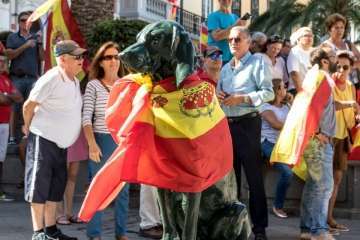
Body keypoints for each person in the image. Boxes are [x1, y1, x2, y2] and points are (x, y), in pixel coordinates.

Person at [23, 40, 85, 240]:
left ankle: (51, 230)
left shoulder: (74, 80)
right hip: (44, 138)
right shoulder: (51, 78)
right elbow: (28, 106)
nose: (81, 60)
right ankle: (38, 232)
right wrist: (28, 128)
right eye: (77, 57)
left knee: (55, 188)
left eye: (82, 56)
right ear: (63, 59)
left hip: (61, 145)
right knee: (39, 187)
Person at [217, 26, 274, 240]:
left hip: (249, 125)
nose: (233, 42)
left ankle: (259, 229)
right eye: (231, 39)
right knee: (230, 180)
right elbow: (220, 97)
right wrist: (221, 97)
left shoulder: (258, 62)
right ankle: (233, 227)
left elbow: (268, 93)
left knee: (254, 179)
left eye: (238, 39)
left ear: (248, 42)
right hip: (228, 126)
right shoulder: (225, 68)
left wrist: (242, 98)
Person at [82, 41, 129, 240]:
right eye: (108, 57)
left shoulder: (127, 84)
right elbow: (86, 119)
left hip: (123, 143)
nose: (113, 61)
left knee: (123, 192)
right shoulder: (93, 85)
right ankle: (94, 235)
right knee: (98, 189)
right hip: (101, 141)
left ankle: (121, 233)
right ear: (100, 62)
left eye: (116, 57)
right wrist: (92, 144)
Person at [299, 46, 337, 240]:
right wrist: (317, 132)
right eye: (332, 56)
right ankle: (318, 231)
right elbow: (312, 107)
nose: (336, 59)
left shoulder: (317, 78)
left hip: (317, 140)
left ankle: (307, 229)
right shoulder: (321, 78)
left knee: (314, 186)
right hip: (318, 141)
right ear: (324, 61)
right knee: (324, 186)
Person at [327, 50, 359, 233]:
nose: (340, 70)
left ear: (351, 68)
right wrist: (351, 105)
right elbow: (331, 106)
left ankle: (328, 218)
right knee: (322, 183)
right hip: (326, 137)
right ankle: (319, 222)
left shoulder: (350, 86)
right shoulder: (328, 83)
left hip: (342, 137)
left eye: (345, 67)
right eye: (337, 66)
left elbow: (352, 114)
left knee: (336, 180)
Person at [6, 11, 43, 144]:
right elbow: (9, 55)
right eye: (22, 20)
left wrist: (39, 44)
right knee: (14, 108)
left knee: (31, 107)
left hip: (32, 78)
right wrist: (26, 45)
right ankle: (11, 138)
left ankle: (28, 135)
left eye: (28, 20)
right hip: (17, 78)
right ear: (18, 22)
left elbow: (42, 58)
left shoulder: (35, 37)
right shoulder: (12, 37)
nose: (25, 22)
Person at [260, 78, 292, 218]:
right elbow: (276, 124)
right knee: (287, 173)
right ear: (277, 91)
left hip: (283, 144)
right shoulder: (265, 107)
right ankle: (277, 206)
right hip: (268, 143)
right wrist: (295, 125)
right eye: (283, 87)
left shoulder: (287, 107)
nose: (285, 89)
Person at [0, 52, 22, 201]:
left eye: (4, 62)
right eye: (0, 61)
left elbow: (19, 97)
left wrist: (6, 96)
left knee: (1, 160)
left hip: (5, 124)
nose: (2, 64)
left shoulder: (6, 79)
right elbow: (2, 100)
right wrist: (9, 98)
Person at [323, 13, 360, 87]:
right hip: (336, 85)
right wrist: (350, 66)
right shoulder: (325, 46)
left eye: (342, 27)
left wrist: (348, 67)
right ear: (329, 30)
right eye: (336, 28)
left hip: (353, 84)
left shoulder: (348, 43)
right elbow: (332, 66)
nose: (340, 30)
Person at [207, 0, 247, 64]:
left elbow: (239, 37)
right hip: (215, 57)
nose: (226, 1)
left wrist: (224, 32)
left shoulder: (235, 17)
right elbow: (217, 36)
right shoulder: (213, 16)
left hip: (231, 59)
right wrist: (235, 26)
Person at [287, 27, 314, 94]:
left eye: (311, 36)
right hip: (298, 90)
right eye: (306, 36)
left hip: (313, 91)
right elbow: (294, 74)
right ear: (299, 39)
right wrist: (301, 94)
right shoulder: (294, 51)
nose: (309, 38)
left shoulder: (314, 51)